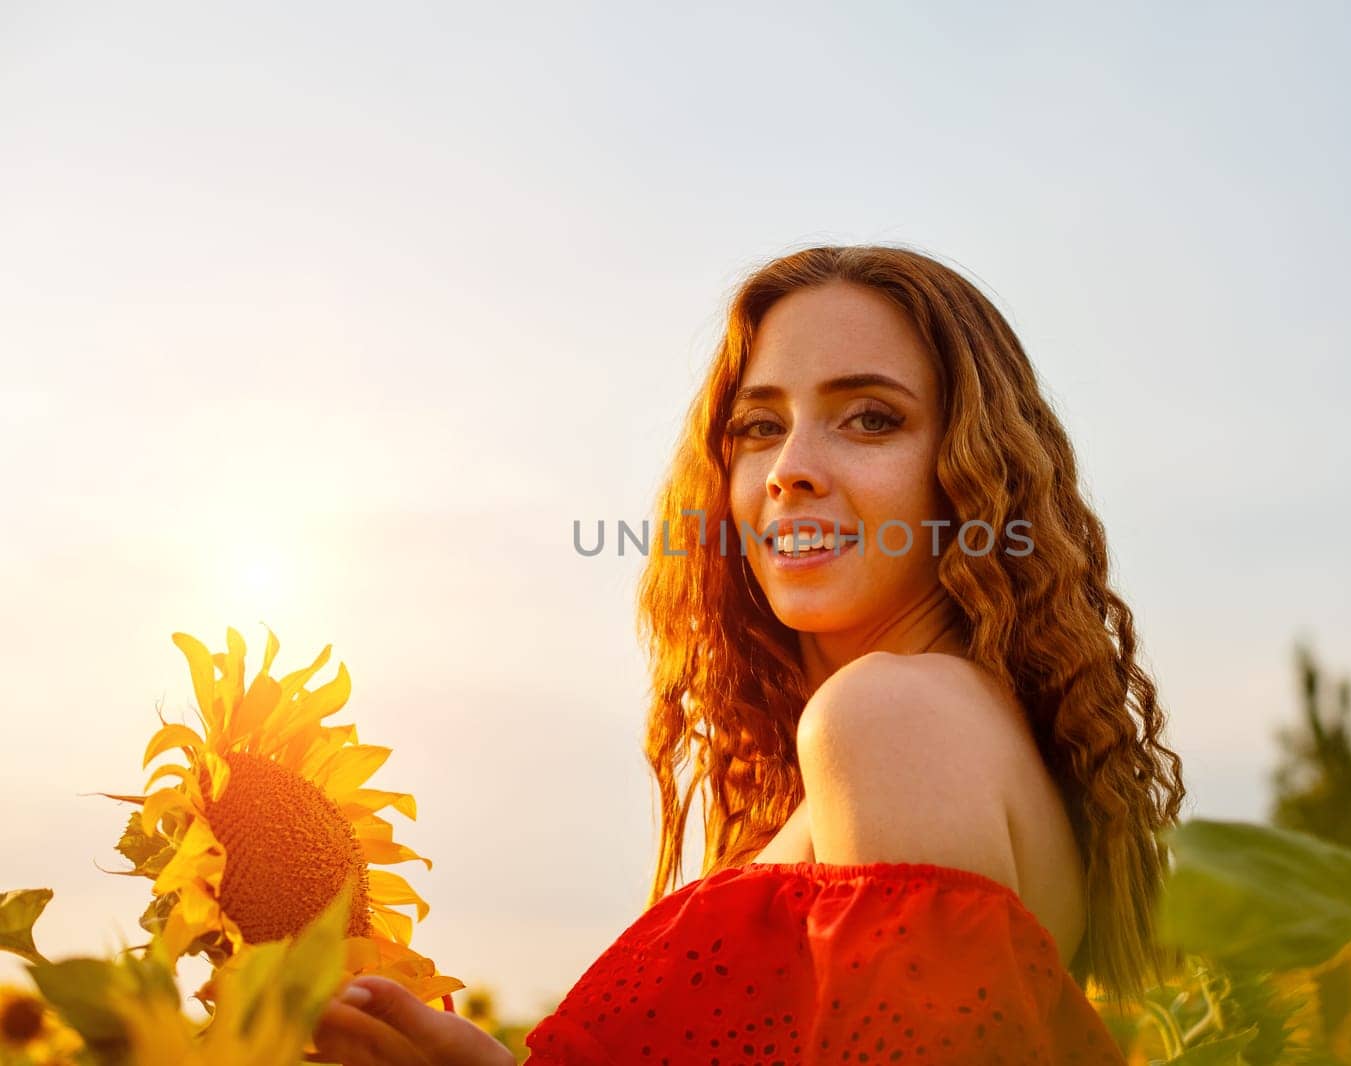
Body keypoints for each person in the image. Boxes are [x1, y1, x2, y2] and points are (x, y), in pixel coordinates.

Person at [311, 245, 1185, 1065]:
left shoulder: (891, 718)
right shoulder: (941, 734)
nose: (789, 468)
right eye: (759, 427)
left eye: (871, 419)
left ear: (973, 472)